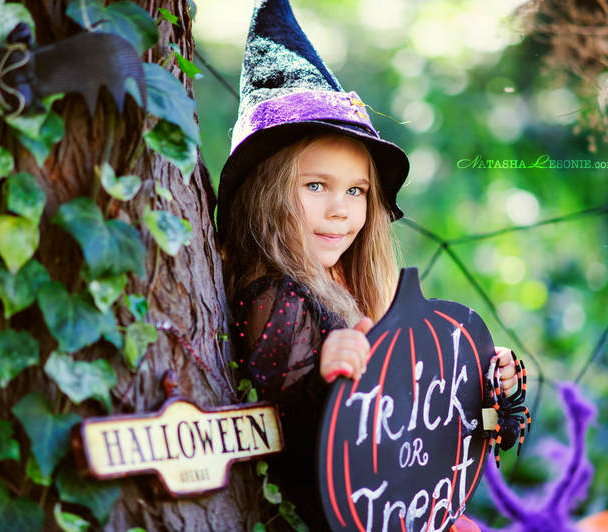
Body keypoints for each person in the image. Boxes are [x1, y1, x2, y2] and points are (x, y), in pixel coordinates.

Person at [216, 0, 521, 529]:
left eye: (356, 191)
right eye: (316, 186)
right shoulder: (277, 299)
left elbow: (424, 435)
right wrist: (326, 381)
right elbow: (291, 449)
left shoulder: (351, 287)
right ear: (265, 195)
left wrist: (486, 390)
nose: (341, 209)